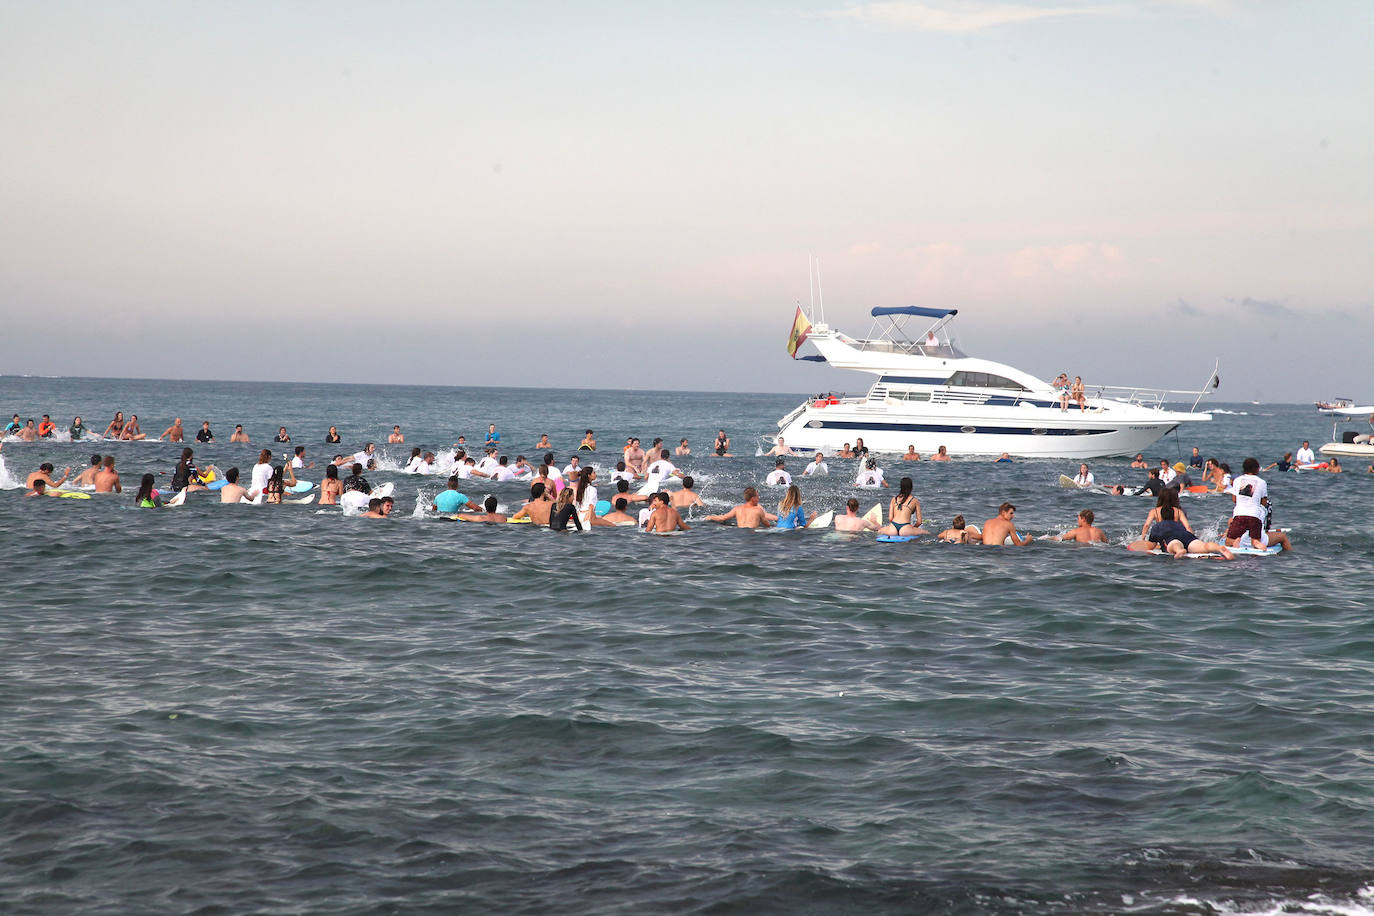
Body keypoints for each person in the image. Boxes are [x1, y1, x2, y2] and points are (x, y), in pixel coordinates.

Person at [1223, 457, 1291, 551]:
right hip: (1254, 516)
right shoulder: (1262, 482)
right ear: (1256, 469)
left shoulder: (1237, 480)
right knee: (1256, 539)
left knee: (1228, 542)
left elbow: (1234, 499)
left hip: (1239, 515)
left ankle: (1235, 541)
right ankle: (1256, 543)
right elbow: (1263, 503)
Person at [705, 487, 776, 528]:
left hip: (740, 535)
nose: (759, 498)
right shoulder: (758, 510)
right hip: (753, 535)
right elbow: (767, 525)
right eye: (757, 496)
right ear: (753, 499)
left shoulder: (737, 509)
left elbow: (723, 517)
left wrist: (710, 517)